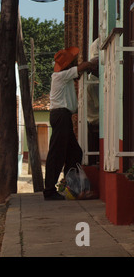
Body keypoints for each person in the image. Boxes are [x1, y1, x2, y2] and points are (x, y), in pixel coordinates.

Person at [44, 47, 98, 200]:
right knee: (57, 154)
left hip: (63, 116)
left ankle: (74, 188)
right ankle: (49, 191)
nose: (75, 63)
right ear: (68, 65)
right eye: (73, 62)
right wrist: (94, 61)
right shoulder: (60, 76)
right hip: (61, 115)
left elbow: (79, 72)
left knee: (74, 153)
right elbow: (83, 67)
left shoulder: (65, 77)